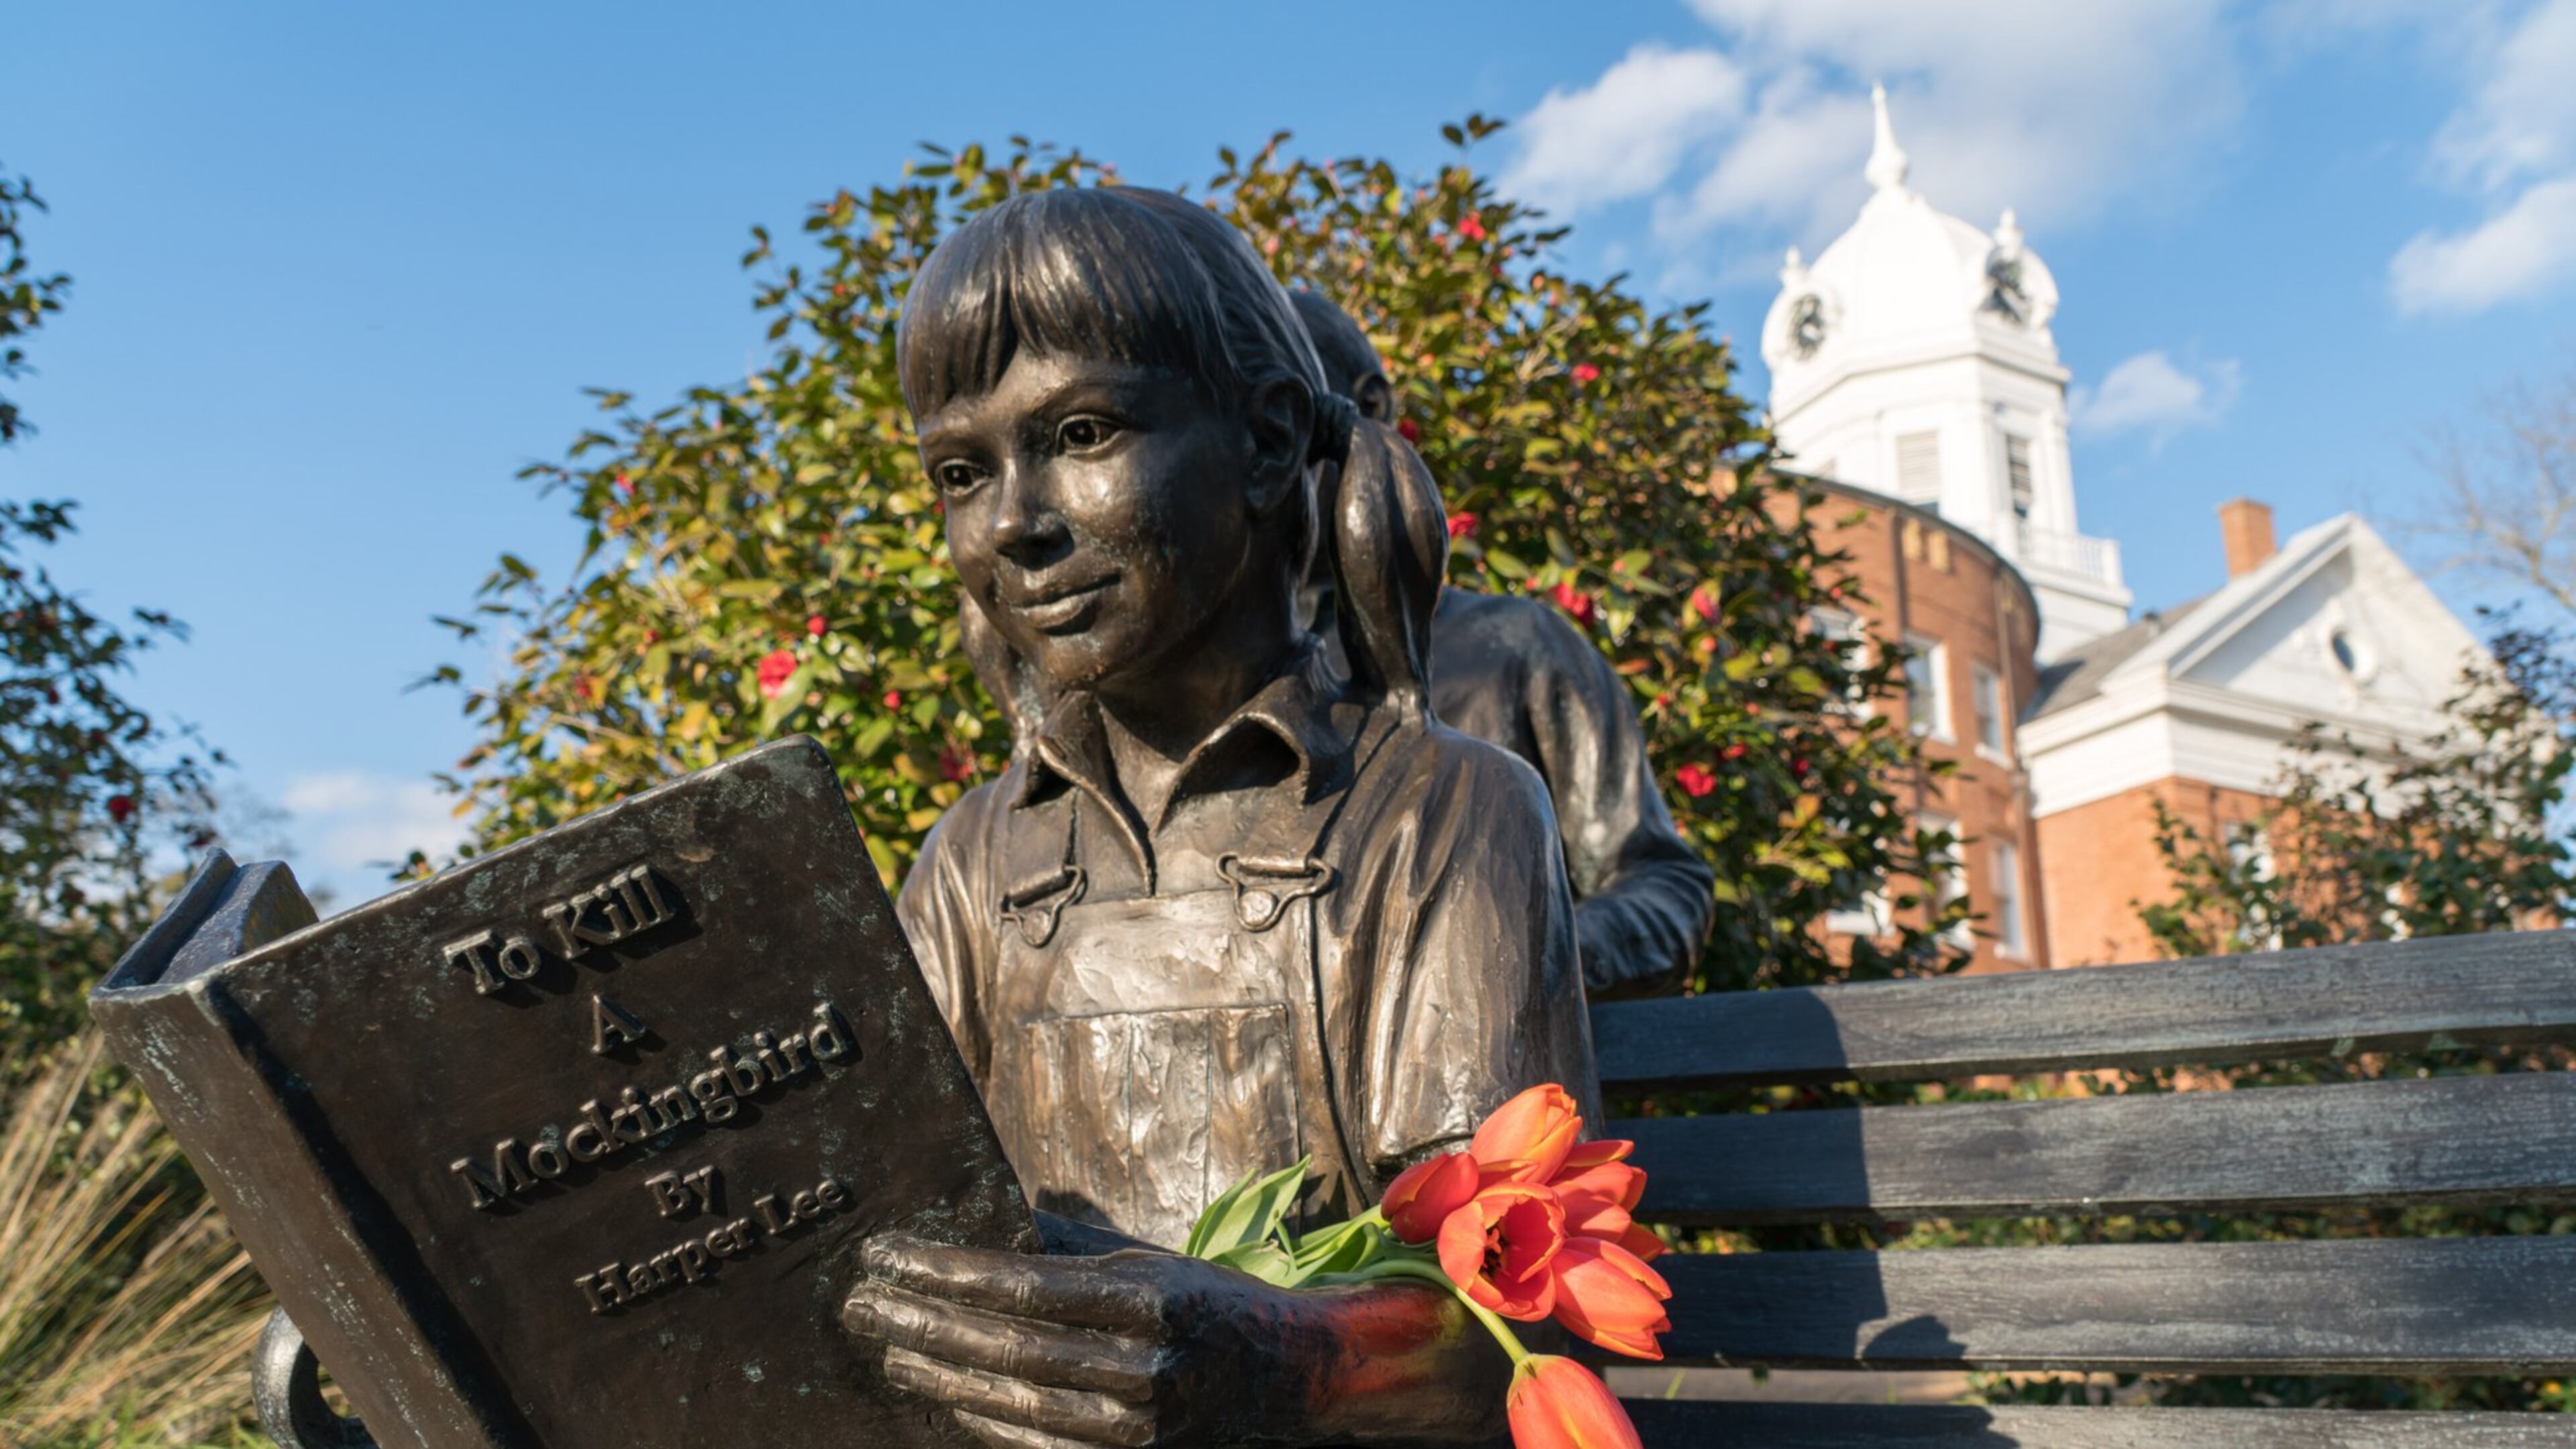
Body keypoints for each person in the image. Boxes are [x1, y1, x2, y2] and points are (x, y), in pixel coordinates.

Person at [849, 186, 1597, 1447]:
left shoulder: (1439, 814)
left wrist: (1281, 1363)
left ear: (1263, 442)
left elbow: (1507, 1314)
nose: (1016, 523)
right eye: (963, 473)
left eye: (1081, 433)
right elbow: (873, 1234)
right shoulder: (977, 860)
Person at [1286, 290, 1714, 1000]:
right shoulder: (1202, 684)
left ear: (1370, 407)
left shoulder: (1516, 647)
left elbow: (1662, 882)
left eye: (1290, 417)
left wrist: (1518, 963)